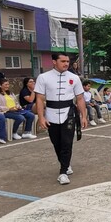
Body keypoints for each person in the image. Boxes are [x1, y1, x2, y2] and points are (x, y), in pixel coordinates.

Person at [35, 52, 88, 185]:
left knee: (67, 143)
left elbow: (80, 98)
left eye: (67, 61)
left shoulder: (74, 78)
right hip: (51, 113)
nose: (66, 64)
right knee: (56, 142)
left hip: (68, 113)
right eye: (63, 61)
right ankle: (66, 163)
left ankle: (63, 172)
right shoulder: (43, 77)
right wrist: (41, 117)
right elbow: (40, 99)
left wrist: (84, 116)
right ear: (54, 62)